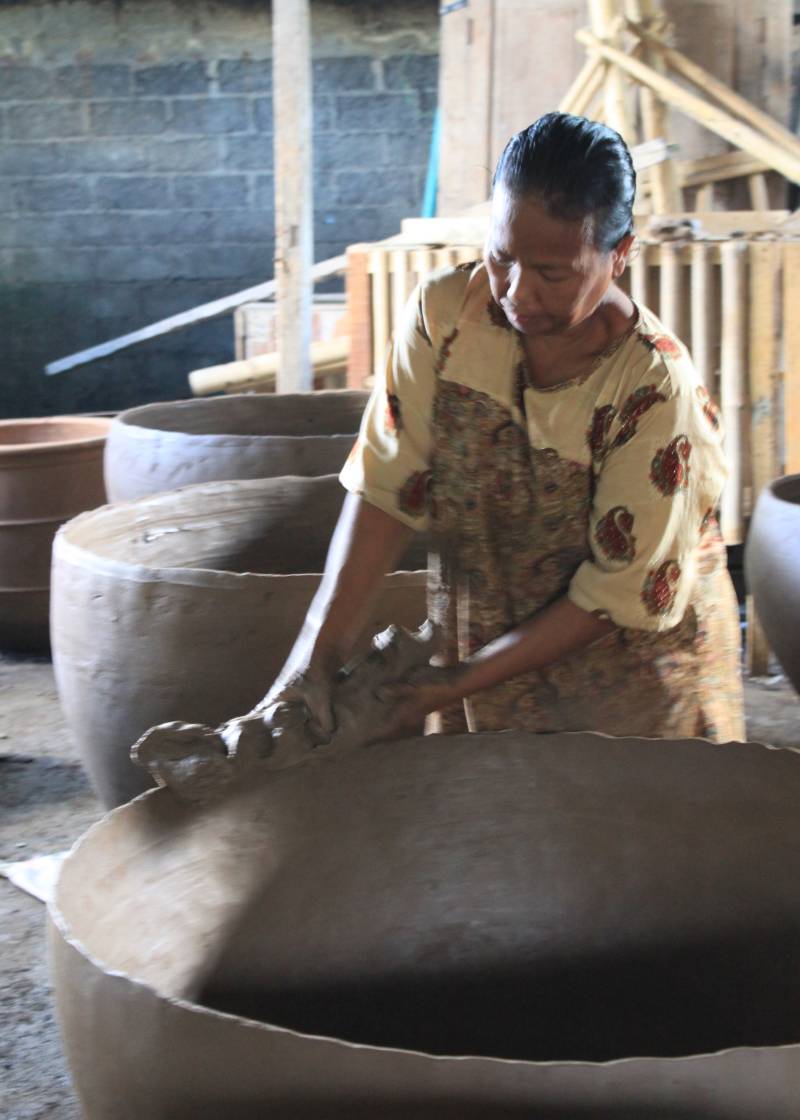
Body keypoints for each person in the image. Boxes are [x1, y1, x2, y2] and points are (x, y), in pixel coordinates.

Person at [265, 111, 745, 745]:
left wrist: (457, 681)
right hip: (490, 657)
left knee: (621, 836)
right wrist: (311, 660)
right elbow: (387, 487)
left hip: (630, 689)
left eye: (553, 273)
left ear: (619, 255)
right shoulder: (447, 319)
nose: (517, 291)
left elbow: (618, 592)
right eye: (501, 257)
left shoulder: (655, 392)